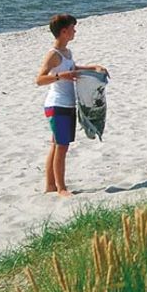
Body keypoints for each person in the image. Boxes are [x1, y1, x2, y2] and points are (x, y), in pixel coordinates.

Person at [35, 13, 107, 197]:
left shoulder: (67, 53)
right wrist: (60, 77)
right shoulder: (53, 54)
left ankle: (51, 185)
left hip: (68, 104)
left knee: (56, 144)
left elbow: (73, 69)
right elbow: (40, 79)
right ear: (64, 31)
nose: (75, 31)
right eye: (73, 28)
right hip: (57, 105)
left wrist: (93, 67)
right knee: (62, 146)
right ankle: (61, 188)